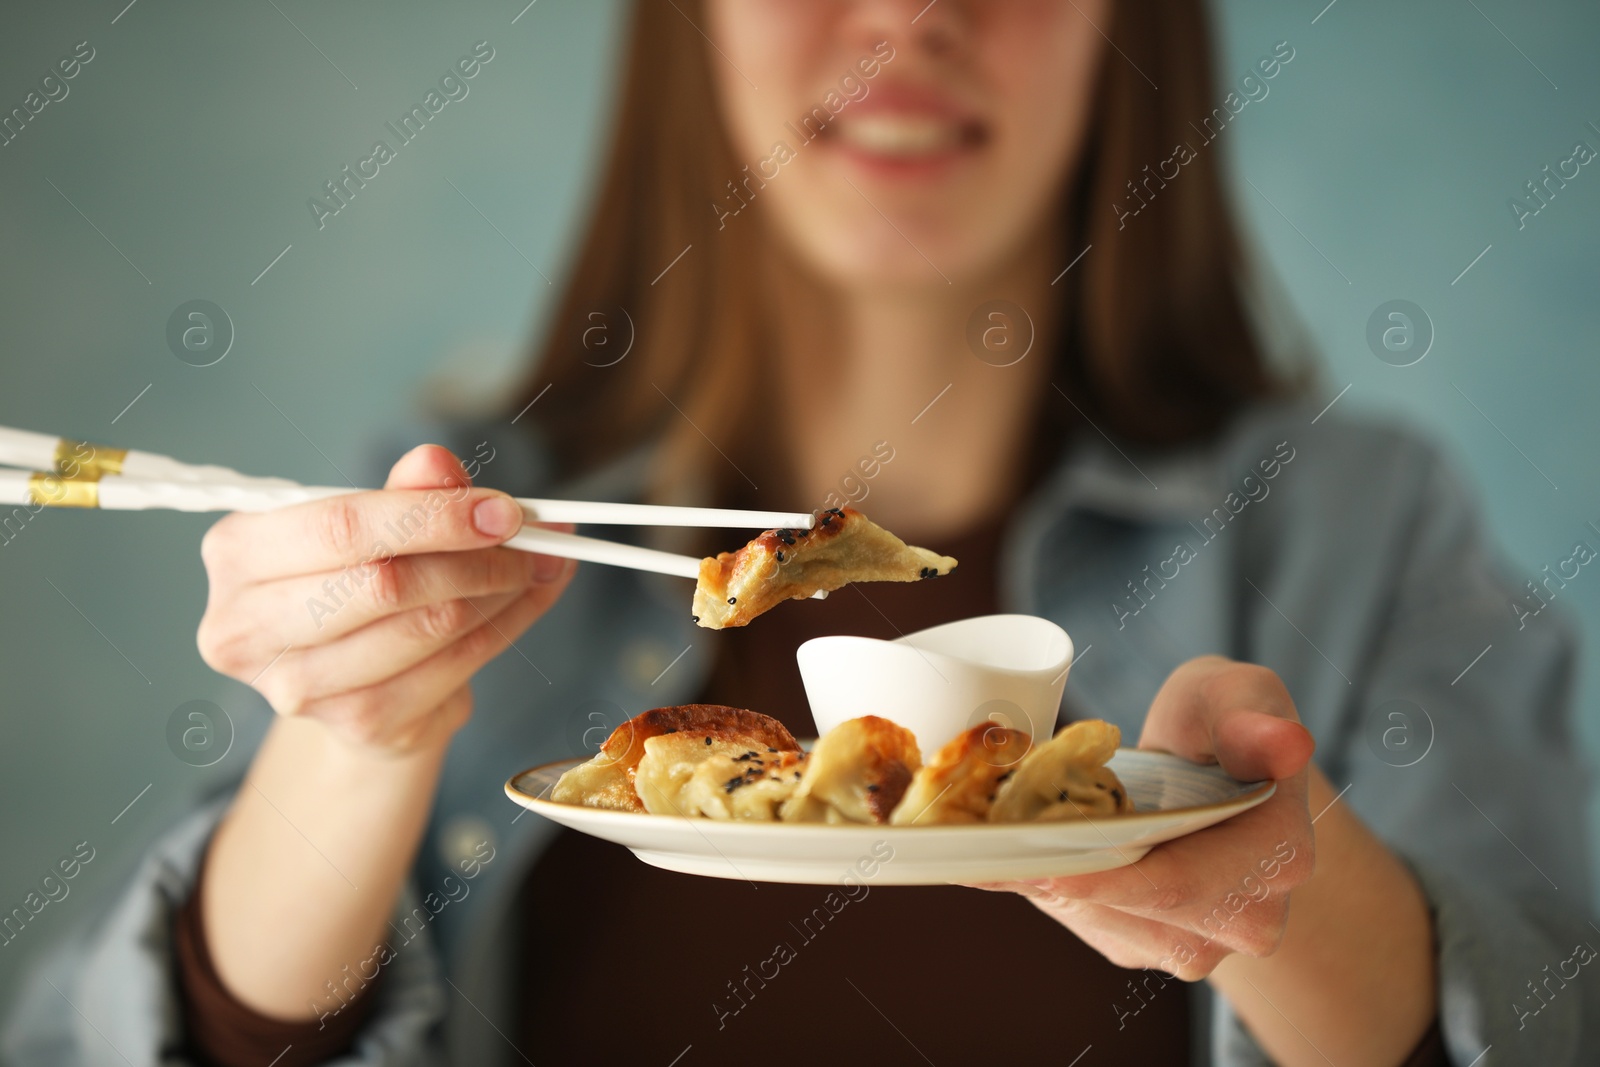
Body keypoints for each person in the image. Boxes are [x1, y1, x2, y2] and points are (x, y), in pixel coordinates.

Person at [7, 1, 1594, 1064]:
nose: (908, 23)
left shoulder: (1355, 523)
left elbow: (1551, 1006)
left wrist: (1286, 890)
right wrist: (355, 736)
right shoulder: (450, 499)